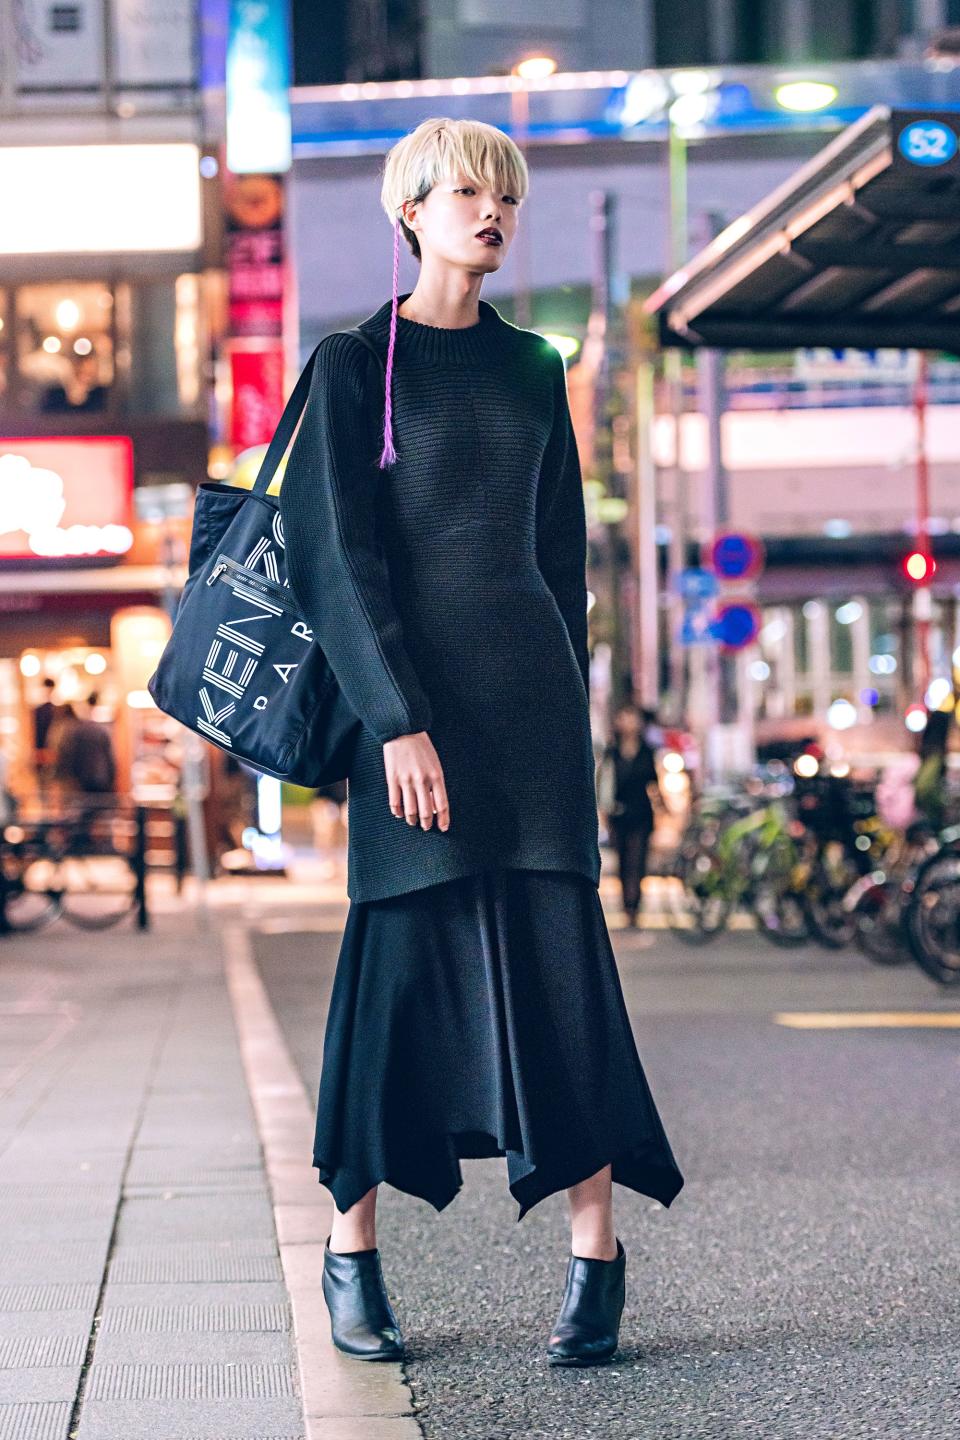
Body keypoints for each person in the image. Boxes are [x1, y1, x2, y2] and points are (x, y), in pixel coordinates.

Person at [277, 117, 683, 1369]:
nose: (490, 211)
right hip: (412, 720)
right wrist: (397, 722)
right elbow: (336, 562)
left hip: (532, 719)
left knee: (563, 981)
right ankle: (351, 1258)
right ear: (409, 211)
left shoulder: (532, 368)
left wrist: (578, 705)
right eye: (465, 191)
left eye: (504, 193)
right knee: (393, 981)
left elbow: (557, 562)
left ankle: (596, 1263)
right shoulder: (355, 364)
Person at [598, 703, 664, 928]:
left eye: (633, 717)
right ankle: (626, 904)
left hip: (642, 813)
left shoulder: (647, 750)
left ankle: (634, 907)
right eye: (625, 716)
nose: (629, 722)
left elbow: (653, 783)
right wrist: (604, 811)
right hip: (619, 814)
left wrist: (662, 807)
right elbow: (604, 783)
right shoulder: (612, 752)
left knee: (638, 860)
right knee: (623, 862)